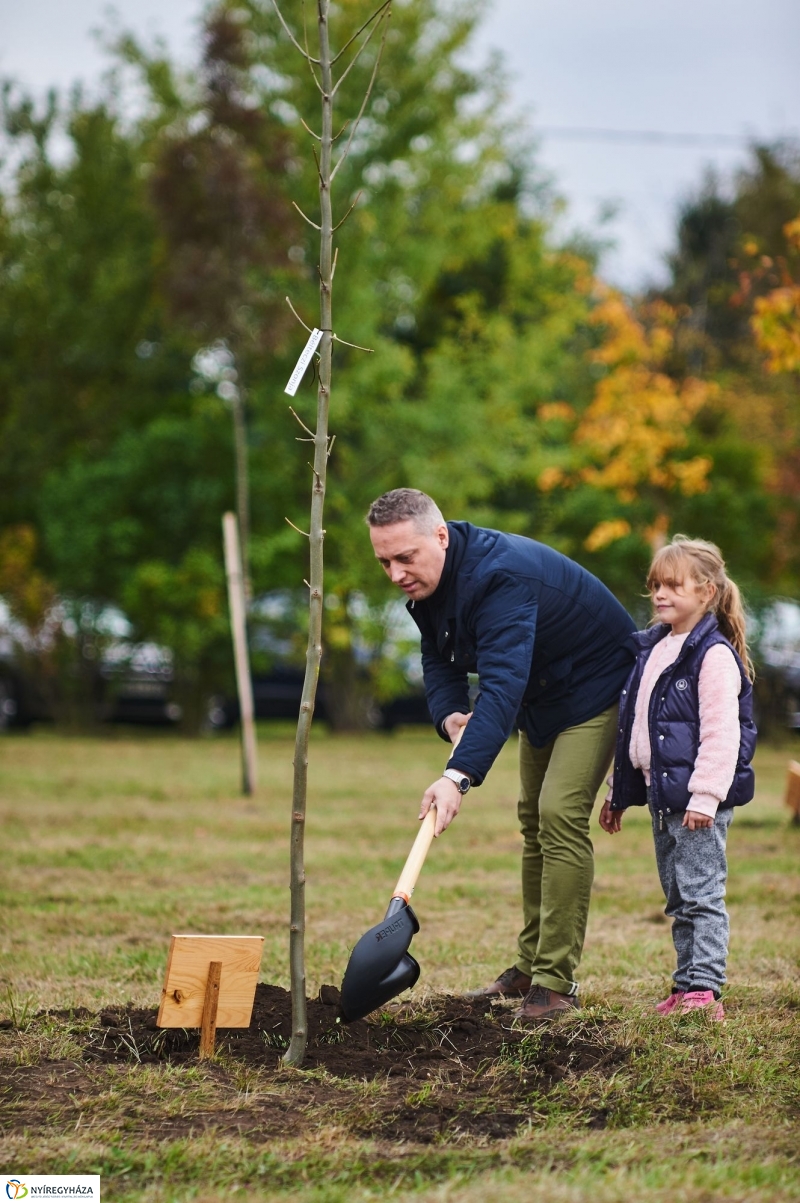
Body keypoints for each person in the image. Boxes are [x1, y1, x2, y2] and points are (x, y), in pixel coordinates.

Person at [366, 488, 637, 1020]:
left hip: (598, 686)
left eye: (405, 558)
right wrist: (450, 717)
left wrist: (458, 775)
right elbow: (437, 655)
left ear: (439, 536)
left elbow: (503, 683)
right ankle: (530, 965)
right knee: (533, 819)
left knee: (559, 813)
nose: (396, 574)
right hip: (545, 693)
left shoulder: (499, 577)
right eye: (384, 562)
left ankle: (555, 983)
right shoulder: (432, 585)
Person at [599, 536, 757, 1020]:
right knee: (677, 895)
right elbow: (636, 730)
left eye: (672, 586)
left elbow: (722, 735)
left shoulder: (711, 656)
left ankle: (705, 990)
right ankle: (685, 982)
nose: (660, 595)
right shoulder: (654, 649)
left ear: (706, 592)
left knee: (701, 893)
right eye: (655, 586)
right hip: (662, 796)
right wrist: (619, 794)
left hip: (696, 803)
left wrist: (705, 797)